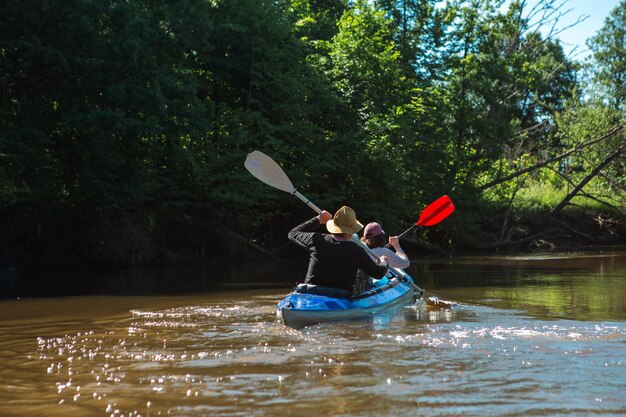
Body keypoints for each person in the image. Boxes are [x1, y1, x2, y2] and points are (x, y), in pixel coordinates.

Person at [288, 206, 389, 296]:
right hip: (340, 295)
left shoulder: (317, 240)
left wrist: (318, 220)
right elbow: (378, 274)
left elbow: (293, 234)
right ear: (351, 231)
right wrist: (384, 262)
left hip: (311, 292)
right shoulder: (357, 250)